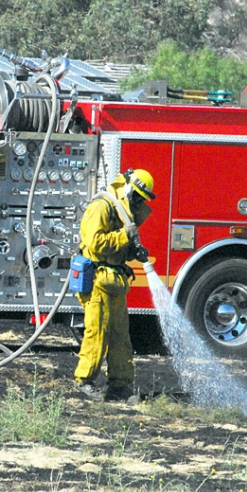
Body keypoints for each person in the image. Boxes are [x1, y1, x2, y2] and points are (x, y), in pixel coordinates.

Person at [73, 168, 156, 402]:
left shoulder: (123, 211)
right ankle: (84, 381)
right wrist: (124, 237)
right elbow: (96, 243)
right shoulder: (102, 206)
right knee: (97, 332)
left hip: (115, 281)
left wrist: (133, 251)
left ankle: (120, 386)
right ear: (128, 189)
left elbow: (117, 247)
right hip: (98, 280)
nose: (139, 201)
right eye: (138, 196)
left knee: (120, 336)